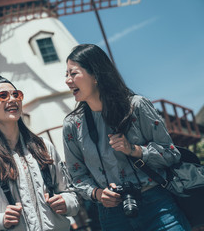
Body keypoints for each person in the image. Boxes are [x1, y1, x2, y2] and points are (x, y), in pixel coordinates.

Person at [63, 44, 191, 231]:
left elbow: (171, 153)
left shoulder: (137, 106)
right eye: (65, 75)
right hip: (112, 216)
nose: (67, 81)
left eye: (73, 74)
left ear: (96, 75)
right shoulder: (71, 126)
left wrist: (134, 150)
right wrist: (98, 194)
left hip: (157, 205)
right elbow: (77, 176)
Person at [0, 74, 79, 231]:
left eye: (16, 94)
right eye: (3, 96)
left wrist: (66, 203)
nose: (12, 99)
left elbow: (71, 195)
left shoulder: (44, 147)